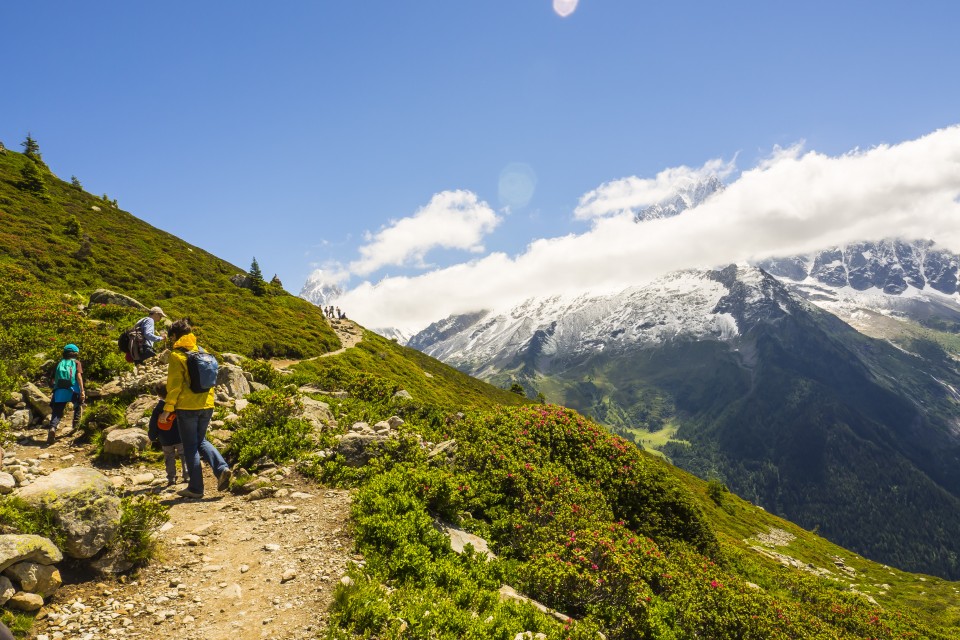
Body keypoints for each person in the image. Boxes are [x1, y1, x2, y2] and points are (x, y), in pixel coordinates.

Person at [160, 319, 231, 499]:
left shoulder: (177, 356)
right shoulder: (202, 351)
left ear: (175, 336)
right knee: (201, 440)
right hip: (207, 404)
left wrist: (167, 410)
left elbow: (174, 386)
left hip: (187, 407)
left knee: (190, 446)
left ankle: (196, 488)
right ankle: (222, 468)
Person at [147, 382, 189, 486]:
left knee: (169, 458)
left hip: (165, 439)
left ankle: (171, 479)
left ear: (159, 395)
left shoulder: (158, 409)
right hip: (180, 437)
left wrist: (152, 436)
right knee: (184, 455)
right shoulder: (177, 405)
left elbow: (153, 424)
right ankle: (187, 476)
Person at [47, 343, 85, 444]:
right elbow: (79, 377)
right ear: (75, 353)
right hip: (73, 390)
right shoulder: (76, 363)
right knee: (78, 406)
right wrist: (82, 391)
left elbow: (52, 379)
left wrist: (54, 390)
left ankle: (53, 428)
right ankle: (76, 427)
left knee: (57, 411)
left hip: (60, 390)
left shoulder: (59, 363)